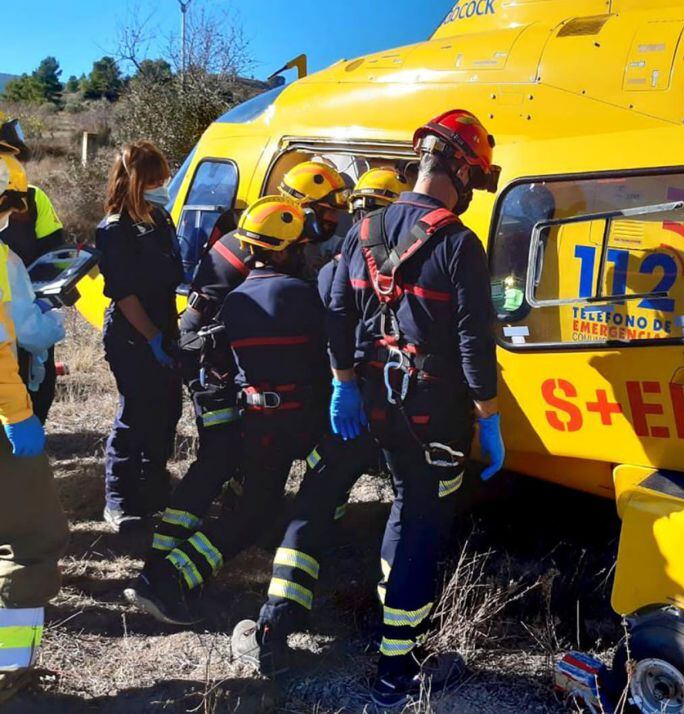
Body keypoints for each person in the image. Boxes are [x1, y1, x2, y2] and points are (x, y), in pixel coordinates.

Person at [324, 110, 506, 706]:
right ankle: (394, 671)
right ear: (456, 167)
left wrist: (344, 381)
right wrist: (489, 413)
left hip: (378, 404)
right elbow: (475, 342)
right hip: (436, 413)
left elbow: (338, 315)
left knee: (406, 507)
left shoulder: (365, 230)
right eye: (473, 180)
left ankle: (403, 638)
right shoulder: (457, 242)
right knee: (423, 527)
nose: (472, 194)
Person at [231, 167, 412, 677]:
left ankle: (275, 625)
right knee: (409, 511)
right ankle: (397, 632)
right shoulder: (426, 259)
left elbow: (326, 342)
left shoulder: (336, 267)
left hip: (350, 409)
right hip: (406, 409)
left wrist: (337, 389)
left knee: (313, 508)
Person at [126, 197, 329, 625]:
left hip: (255, 424)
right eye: (299, 246)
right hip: (295, 424)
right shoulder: (304, 297)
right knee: (304, 497)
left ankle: (166, 577)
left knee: (254, 510)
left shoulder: (237, 301)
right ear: (282, 249)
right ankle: (168, 579)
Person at [167, 160, 349, 521]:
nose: (333, 222)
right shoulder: (253, 244)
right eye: (328, 212)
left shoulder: (285, 238)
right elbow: (213, 323)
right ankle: (171, 540)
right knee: (220, 454)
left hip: (237, 365)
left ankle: (248, 513)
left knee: (256, 452)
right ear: (304, 208)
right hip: (211, 365)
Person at [0, 149, 69, 705]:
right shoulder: (3, 262)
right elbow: (21, 337)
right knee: (32, 543)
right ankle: (9, 669)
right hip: (4, 420)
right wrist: (53, 315)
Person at [96, 142, 184, 533]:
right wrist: (152, 337)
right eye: (156, 180)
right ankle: (120, 500)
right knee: (135, 415)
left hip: (164, 325)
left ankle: (154, 492)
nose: (163, 185)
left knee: (167, 413)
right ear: (134, 181)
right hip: (133, 335)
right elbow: (124, 293)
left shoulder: (161, 218)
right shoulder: (115, 230)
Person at [0, 112, 66, 423]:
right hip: (19, 319)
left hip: (30, 311)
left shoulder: (35, 199)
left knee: (37, 391)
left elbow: (57, 254)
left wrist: (44, 298)